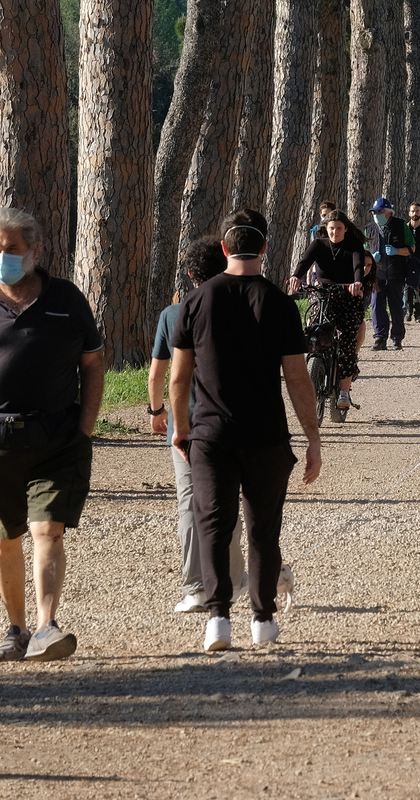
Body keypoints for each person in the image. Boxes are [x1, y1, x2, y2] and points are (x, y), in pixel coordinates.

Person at [0, 206, 104, 663]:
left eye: (11, 249)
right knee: (5, 537)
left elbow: (92, 365)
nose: (2, 256)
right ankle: (15, 629)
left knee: (48, 529)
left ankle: (48, 626)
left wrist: (84, 430)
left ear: (35, 250)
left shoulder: (67, 299)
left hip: (56, 441)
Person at [170, 208, 322, 651]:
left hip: (212, 434)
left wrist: (181, 428)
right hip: (267, 435)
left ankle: (217, 617)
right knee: (263, 528)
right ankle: (263, 619)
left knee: (214, 524)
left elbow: (178, 379)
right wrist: (312, 437)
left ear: (224, 248)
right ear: (265, 247)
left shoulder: (196, 301)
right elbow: (297, 379)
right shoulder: (278, 302)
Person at [148, 240, 246, 614]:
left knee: (191, 501)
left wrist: (156, 410)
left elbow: (159, 372)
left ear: (190, 275)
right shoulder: (241, 308)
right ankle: (234, 580)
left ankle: (194, 586)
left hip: (185, 420)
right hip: (229, 418)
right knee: (228, 500)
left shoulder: (172, 315)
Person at [290, 209, 367, 413]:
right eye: (331, 229)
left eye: (339, 229)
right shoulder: (318, 244)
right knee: (314, 331)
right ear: (326, 229)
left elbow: (358, 265)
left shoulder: (354, 245)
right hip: (322, 294)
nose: (335, 232)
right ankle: (313, 368)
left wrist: (357, 282)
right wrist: (296, 276)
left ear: (346, 229)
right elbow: (304, 263)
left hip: (347, 294)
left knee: (348, 340)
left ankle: (343, 392)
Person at [364, 197, 412, 350]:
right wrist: (371, 257)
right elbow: (363, 250)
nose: (376, 214)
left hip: (396, 274)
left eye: (380, 212)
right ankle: (380, 338)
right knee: (376, 305)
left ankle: (397, 338)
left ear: (389, 213)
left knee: (396, 307)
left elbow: (412, 248)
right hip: (376, 275)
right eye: (374, 212)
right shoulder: (369, 228)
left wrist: (398, 251)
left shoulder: (401, 226)